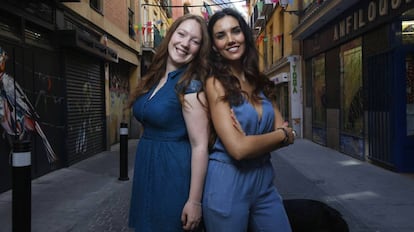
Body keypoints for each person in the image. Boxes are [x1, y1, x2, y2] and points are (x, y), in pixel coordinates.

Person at [202, 8, 295, 232]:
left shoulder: (259, 81)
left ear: (245, 35)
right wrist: (281, 136)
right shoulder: (215, 83)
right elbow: (238, 149)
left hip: (264, 180)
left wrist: (279, 135)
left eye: (236, 31)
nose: (231, 40)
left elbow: (289, 133)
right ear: (214, 46)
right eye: (221, 35)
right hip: (227, 183)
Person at [127, 14, 210, 232]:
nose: (185, 43)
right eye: (181, 34)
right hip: (148, 169)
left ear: (199, 50)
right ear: (171, 35)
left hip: (173, 173)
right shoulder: (154, 78)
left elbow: (200, 145)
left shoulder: (191, 85)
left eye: (194, 41)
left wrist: (194, 201)